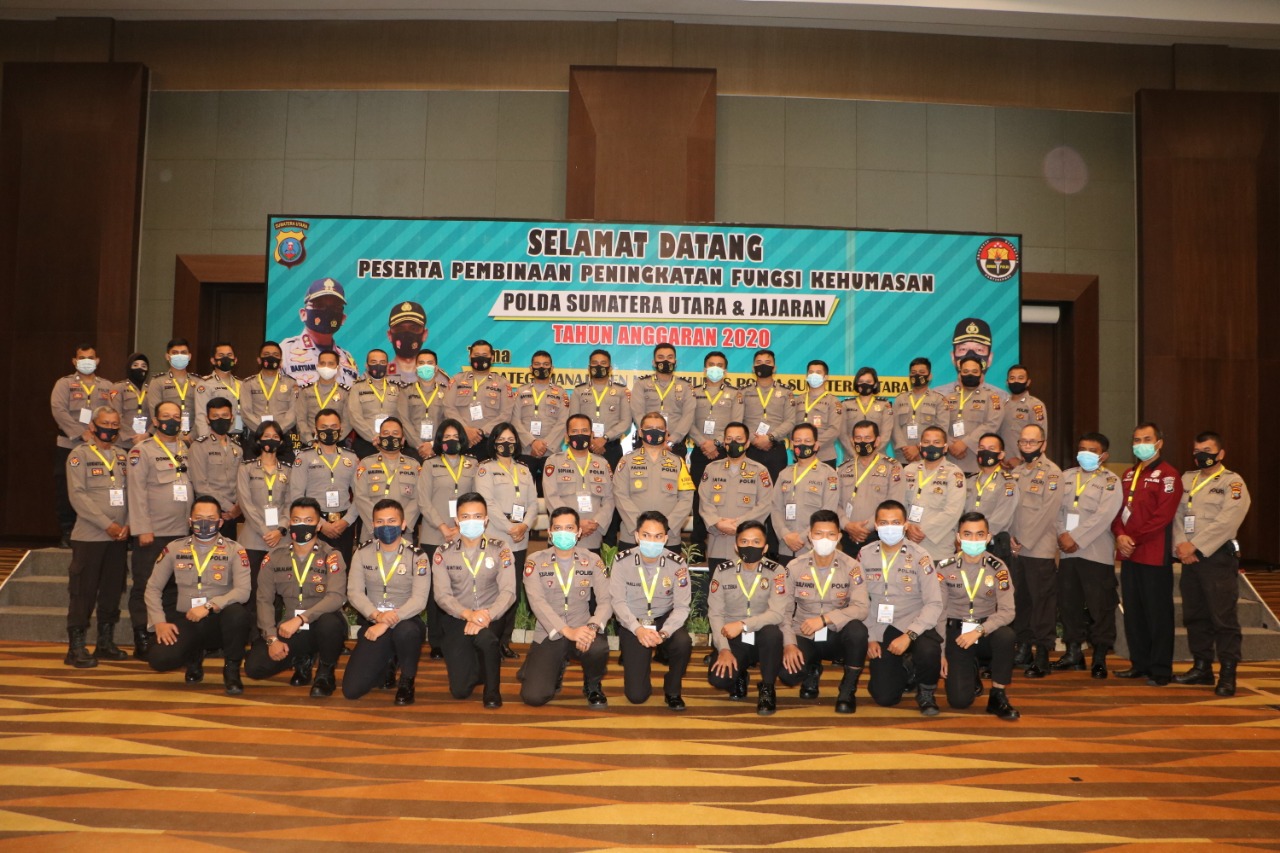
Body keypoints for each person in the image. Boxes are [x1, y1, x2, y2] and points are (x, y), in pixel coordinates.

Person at [144, 496, 253, 695]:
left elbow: (243, 591)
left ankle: (232, 669)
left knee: (238, 614)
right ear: (190, 521)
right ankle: (193, 658)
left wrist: (209, 606)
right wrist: (159, 622)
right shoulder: (174, 548)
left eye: (210, 519)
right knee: (159, 658)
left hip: (220, 620)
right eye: (199, 518)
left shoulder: (235, 550)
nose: (204, 523)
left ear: (220, 522)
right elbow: (152, 588)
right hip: (188, 618)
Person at [1172, 432, 1252, 697]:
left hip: (1216, 558)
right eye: (1197, 451)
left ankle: (1228, 674)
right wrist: (1182, 545)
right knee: (1195, 615)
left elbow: (1228, 520)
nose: (1201, 455)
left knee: (1223, 618)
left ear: (1221, 454)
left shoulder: (1232, 482)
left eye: (1207, 450)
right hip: (1189, 558)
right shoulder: (1187, 479)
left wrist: (1195, 545)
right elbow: (1176, 516)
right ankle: (1201, 667)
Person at [244, 497, 348, 697]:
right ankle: (303, 658)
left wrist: (302, 618)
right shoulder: (274, 557)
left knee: (330, 624)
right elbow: (264, 600)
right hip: (291, 626)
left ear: (319, 525)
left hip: (321, 623)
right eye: (296, 520)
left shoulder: (331, 555)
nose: (302, 525)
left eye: (308, 521)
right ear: (289, 523)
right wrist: (271, 638)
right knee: (255, 667)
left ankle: (325, 672)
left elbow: (336, 597)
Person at [777, 509, 870, 713]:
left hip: (837, 634)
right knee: (787, 674)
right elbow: (783, 611)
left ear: (839, 537)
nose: (824, 539)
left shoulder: (852, 567)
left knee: (858, 631)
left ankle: (848, 688)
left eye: (830, 534)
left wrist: (825, 619)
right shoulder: (794, 566)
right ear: (810, 536)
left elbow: (862, 607)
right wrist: (789, 644)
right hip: (804, 633)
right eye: (818, 534)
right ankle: (812, 669)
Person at [1112, 422, 1183, 685]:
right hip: (1129, 554)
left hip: (1153, 554)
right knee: (1134, 612)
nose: (1140, 444)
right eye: (1136, 440)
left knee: (1158, 614)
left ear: (1159, 443)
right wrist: (1120, 535)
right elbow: (1117, 510)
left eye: (1146, 439)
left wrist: (1133, 538)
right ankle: (1139, 664)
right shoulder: (1129, 474)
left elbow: (1162, 516)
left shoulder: (1169, 475)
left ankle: (1160, 669)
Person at [520, 508, 612, 708]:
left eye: (569, 528)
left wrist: (592, 627)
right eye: (558, 528)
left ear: (578, 532)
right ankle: (550, 667)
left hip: (583, 628)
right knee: (534, 697)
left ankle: (592, 684)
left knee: (598, 648)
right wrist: (567, 631)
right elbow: (537, 603)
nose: (564, 533)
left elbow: (606, 600)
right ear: (550, 532)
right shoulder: (535, 561)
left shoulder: (592, 560)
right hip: (549, 632)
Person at [432, 492, 516, 708]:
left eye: (478, 516)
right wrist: (469, 614)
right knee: (460, 691)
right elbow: (442, 595)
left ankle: (492, 691)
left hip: (491, 616)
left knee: (486, 639)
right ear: (457, 520)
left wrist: (485, 616)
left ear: (486, 520)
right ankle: (478, 667)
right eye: (466, 517)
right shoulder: (443, 552)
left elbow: (508, 591)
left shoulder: (501, 548)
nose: (472, 521)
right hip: (457, 617)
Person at [342, 499, 430, 705]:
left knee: (406, 632)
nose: (386, 526)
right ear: (373, 525)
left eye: (392, 521)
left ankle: (407, 680)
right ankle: (389, 660)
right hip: (375, 621)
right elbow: (354, 592)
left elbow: (419, 600)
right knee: (351, 690)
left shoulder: (417, 556)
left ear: (403, 524)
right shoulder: (362, 553)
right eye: (380, 521)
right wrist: (377, 616)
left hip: (406, 620)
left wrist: (387, 621)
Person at [860, 500, 944, 715]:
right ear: (876, 526)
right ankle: (907, 668)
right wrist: (870, 636)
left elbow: (934, 603)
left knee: (928, 650)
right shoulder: (864, 554)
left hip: (913, 623)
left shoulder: (920, 556)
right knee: (885, 697)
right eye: (884, 523)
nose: (890, 528)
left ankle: (926, 692)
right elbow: (859, 600)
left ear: (906, 525)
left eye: (896, 523)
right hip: (881, 626)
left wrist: (909, 635)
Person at [126, 400, 194, 659]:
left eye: (176, 416)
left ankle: (169, 635)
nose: (172, 421)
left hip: (182, 532)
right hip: (153, 533)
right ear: (155, 421)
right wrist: (142, 528)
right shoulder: (142, 451)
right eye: (166, 416)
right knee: (145, 584)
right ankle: (142, 636)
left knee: (175, 587)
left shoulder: (186, 448)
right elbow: (136, 492)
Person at [63, 406, 131, 667]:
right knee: (84, 591)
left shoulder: (123, 456)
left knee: (112, 590)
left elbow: (132, 493)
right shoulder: (79, 456)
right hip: (90, 537)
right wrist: (107, 524)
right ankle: (75, 648)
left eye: (114, 424)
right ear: (92, 426)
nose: (110, 428)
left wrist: (127, 525)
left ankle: (105, 642)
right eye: (105, 423)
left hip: (118, 538)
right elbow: (77, 496)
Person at [936, 511, 1020, 720]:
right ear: (958, 537)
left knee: (1006, 636)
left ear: (988, 537)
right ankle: (970, 669)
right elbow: (939, 612)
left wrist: (980, 630)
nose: (973, 540)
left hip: (986, 630)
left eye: (979, 534)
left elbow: (1008, 611)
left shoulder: (998, 568)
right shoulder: (944, 568)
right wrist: (941, 652)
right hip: (957, 632)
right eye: (968, 534)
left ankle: (998, 696)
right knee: (959, 701)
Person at [1054, 432, 1123, 677]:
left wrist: (1076, 538)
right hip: (1067, 554)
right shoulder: (1065, 477)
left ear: (1104, 455)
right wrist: (1062, 534)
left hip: (1096, 553)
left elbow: (1104, 516)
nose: (1085, 453)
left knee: (1100, 607)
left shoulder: (1110, 481)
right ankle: (1073, 653)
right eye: (1082, 448)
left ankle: (1100, 657)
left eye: (1092, 450)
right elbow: (1055, 510)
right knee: (1068, 604)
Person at [610, 511, 693, 710]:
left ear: (665, 538)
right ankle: (641, 671)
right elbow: (618, 602)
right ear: (637, 536)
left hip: (664, 619)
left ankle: (672, 689)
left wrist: (664, 633)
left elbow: (682, 607)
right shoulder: (622, 561)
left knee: (683, 642)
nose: (652, 541)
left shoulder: (677, 564)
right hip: (634, 622)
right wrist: (638, 629)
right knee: (636, 696)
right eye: (646, 535)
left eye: (657, 536)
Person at [706, 520, 786, 714]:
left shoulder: (777, 571)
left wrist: (743, 624)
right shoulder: (722, 571)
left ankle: (767, 688)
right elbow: (715, 614)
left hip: (762, 636)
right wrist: (723, 649)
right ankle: (740, 674)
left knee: (773, 634)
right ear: (736, 546)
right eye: (744, 542)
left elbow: (776, 614)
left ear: (765, 547)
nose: (750, 546)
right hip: (733, 637)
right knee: (718, 679)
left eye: (756, 542)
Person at [418, 419, 478, 659]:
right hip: (435, 535)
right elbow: (423, 501)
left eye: (455, 437)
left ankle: (460, 637)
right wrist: (442, 526)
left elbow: (477, 499)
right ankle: (436, 641)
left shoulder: (473, 464)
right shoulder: (430, 465)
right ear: (439, 441)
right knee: (437, 589)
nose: (451, 441)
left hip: (466, 535)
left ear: (462, 439)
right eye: (446, 438)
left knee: (461, 587)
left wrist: (462, 528)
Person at [474, 422, 533, 659]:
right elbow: (487, 503)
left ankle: (504, 642)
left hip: (519, 538)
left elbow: (532, 504)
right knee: (493, 590)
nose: (506, 444)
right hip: (496, 537)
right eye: (501, 440)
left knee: (512, 591)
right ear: (493, 443)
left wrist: (524, 526)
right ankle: (488, 640)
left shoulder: (524, 470)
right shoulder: (485, 469)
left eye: (510, 440)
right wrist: (510, 528)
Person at [1009, 423, 1064, 677]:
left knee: (1042, 602)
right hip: (1016, 549)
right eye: (1023, 441)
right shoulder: (1016, 472)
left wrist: (1023, 539)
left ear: (1043, 444)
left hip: (1038, 548)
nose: (1027, 446)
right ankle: (1023, 648)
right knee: (1020, 601)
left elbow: (1048, 513)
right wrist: (1011, 538)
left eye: (1032, 442)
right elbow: (1010, 509)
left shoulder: (1052, 473)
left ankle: (1042, 654)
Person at [51, 344, 117, 545]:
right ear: (74, 361)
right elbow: (58, 410)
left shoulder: (107, 385)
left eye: (90, 357)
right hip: (69, 444)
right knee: (67, 488)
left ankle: (105, 527)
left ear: (97, 361)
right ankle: (67, 531)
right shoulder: (64, 384)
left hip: (99, 448)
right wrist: (81, 433)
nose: (86, 361)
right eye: (82, 358)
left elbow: (114, 412)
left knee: (98, 487)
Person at [613, 412, 695, 552]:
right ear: (640, 432)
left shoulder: (678, 462)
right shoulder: (627, 461)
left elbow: (686, 498)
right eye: (649, 428)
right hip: (633, 536)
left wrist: (667, 526)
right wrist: (640, 527)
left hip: (668, 536)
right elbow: (620, 495)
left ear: (666, 433)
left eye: (659, 428)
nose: (654, 431)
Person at [688, 351, 744, 557]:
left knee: (722, 497)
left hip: (724, 452)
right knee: (699, 498)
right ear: (704, 369)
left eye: (719, 365)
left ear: (725, 370)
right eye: (711, 364)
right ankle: (697, 546)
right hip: (700, 451)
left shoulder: (735, 394)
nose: (715, 368)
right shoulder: (692, 392)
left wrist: (717, 443)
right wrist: (703, 443)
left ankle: (723, 539)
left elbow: (737, 422)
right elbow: (688, 422)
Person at [236, 420, 293, 614]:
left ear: (281, 441)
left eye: (275, 437)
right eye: (266, 436)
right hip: (253, 537)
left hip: (281, 538)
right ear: (259, 440)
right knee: (253, 587)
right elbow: (245, 503)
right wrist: (264, 531)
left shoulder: (288, 470)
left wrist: (280, 530)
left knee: (279, 588)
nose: (271, 440)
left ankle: (275, 627)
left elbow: (291, 503)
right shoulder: (246, 468)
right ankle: (253, 630)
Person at [291, 408, 358, 565]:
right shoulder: (304, 458)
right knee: (314, 571)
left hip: (344, 526)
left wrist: (347, 521)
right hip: (313, 525)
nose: (329, 431)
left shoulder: (351, 458)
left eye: (334, 427)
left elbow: (360, 495)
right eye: (324, 427)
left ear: (341, 430)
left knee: (342, 570)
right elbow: (296, 496)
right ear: (316, 430)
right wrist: (320, 523)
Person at [698, 422, 773, 563]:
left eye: (739, 439)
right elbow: (704, 501)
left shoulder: (759, 471)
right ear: (724, 442)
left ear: (747, 443)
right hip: (718, 542)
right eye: (729, 439)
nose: (733, 443)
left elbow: (766, 503)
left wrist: (740, 524)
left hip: (748, 543)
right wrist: (717, 523)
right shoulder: (711, 469)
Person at [542, 414, 615, 554]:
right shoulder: (554, 462)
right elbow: (551, 497)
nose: (580, 435)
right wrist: (574, 523)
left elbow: (610, 499)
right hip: (563, 534)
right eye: (574, 431)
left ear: (592, 435)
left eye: (584, 431)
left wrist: (596, 522)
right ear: (567, 436)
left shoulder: (602, 463)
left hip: (592, 534)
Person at [770, 423, 840, 562]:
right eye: (798, 441)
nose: (802, 445)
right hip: (785, 546)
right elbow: (775, 507)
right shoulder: (784, 474)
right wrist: (785, 535)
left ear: (816, 445)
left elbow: (828, 511)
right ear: (792, 445)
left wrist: (802, 538)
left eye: (807, 441)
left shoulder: (828, 474)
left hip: (813, 547)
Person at [836, 420, 905, 557]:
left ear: (877, 441)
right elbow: (834, 502)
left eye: (867, 438)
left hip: (879, 535)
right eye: (858, 438)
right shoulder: (843, 469)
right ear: (852, 441)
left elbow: (895, 503)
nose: (862, 442)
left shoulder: (893, 467)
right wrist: (847, 525)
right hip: (848, 536)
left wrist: (864, 529)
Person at [901, 425, 967, 563]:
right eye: (926, 442)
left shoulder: (954, 473)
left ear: (945, 447)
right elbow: (899, 505)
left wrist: (923, 531)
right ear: (920, 446)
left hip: (938, 547)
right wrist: (907, 527)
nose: (931, 446)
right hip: (907, 544)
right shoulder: (909, 470)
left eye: (936, 442)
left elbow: (953, 511)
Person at [443, 339, 515, 462]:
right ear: (469, 357)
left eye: (484, 355)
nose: (480, 358)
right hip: (460, 438)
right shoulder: (457, 379)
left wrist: (482, 432)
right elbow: (448, 408)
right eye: (476, 355)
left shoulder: (502, 383)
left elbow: (506, 414)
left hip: (489, 441)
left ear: (492, 358)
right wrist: (465, 429)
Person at [280, 277, 360, 388]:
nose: (327, 312)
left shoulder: (348, 359)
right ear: (303, 314)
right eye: (319, 305)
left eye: (335, 307)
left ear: (343, 318)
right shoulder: (285, 351)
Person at [352, 417, 422, 537]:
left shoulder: (414, 466)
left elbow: (418, 498)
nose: (390, 437)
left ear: (402, 440)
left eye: (395, 433)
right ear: (379, 439)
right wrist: (379, 523)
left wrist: (400, 525)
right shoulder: (365, 464)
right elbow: (360, 497)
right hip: (372, 532)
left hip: (402, 533)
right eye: (386, 433)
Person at [567, 348, 632, 472]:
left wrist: (605, 438)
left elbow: (626, 422)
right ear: (589, 367)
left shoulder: (621, 391)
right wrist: (591, 442)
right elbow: (573, 420)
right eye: (595, 363)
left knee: (612, 483)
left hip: (611, 447)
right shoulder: (579, 391)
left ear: (610, 368)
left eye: (603, 363)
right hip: (583, 446)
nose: (598, 366)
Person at [513, 350, 567, 497]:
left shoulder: (560, 393)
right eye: (537, 364)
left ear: (552, 368)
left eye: (545, 364)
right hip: (526, 451)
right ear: (531, 368)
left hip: (550, 452)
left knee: (551, 496)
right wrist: (532, 442)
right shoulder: (521, 391)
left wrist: (544, 445)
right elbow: (515, 420)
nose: (541, 368)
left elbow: (563, 422)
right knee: (522, 495)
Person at [188, 397, 243, 542]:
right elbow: (201, 486)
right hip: (210, 514)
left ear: (232, 418)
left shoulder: (237, 448)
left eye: (225, 415)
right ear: (207, 419)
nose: (221, 420)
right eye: (215, 416)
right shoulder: (199, 447)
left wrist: (238, 507)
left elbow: (241, 481)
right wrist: (228, 507)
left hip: (234, 514)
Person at [942, 355, 1004, 476]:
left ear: (981, 375)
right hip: (950, 459)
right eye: (966, 371)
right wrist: (950, 444)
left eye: (974, 371)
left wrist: (965, 443)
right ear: (960, 374)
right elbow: (941, 424)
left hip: (977, 461)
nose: (970, 375)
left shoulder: (992, 398)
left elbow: (992, 424)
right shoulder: (948, 399)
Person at [740, 348, 796, 479]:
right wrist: (754, 440)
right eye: (759, 362)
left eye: (767, 362)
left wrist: (770, 437)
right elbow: (738, 421)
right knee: (748, 487)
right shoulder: (743, 392)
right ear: (753, 368)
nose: (763, 365)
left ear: (774, 368)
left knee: (776, 488)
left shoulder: (786, 392)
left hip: (776, 449)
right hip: (750, 448)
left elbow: (790, 421)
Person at [630, 344, 694, 453]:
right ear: (653, 362)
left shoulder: (686, 386)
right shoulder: (641, 384)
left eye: (670, 357)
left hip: (675, 444)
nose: (665, 361)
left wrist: (671, 441)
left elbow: (688, 416)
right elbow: (637, 413)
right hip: (647, 441)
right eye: (660, 357)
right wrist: (652, 437)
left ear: (675, 362)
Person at [891, 358, 949, 465]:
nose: (917, 375)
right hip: (903, 455)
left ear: (929, 376)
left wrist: (918, 448)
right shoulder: (900, 399)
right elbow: (894, 426)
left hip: (928, 455)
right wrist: (905, 448)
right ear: (909, 376)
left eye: (922, 372)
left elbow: (942, 428)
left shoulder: (939, 399)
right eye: (913, 373)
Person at [348, 349, 402, 461]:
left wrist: (391, 437)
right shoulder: (357, 388)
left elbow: (402, 416)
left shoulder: (397, 388)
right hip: (366, 441)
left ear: (387, 365)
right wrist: (374, 436)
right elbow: (354, 416)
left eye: (382, 362)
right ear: (366, 365)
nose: (378, 365)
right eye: (374, 362)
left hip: (394, 441)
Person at [965, 433, 1019, 541]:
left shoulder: (1007, 483)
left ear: (1001, 455)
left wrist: (980, 536)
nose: (985, 452)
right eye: (982, 448)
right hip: (968, 539)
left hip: (993, 541)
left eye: (991, 448)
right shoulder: (969, 481)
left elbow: (1001, 517)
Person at [938, 318, 1006, 403]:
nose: (970, 356)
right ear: (953, 357)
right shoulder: (938, 396)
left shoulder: (1002, 398)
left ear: (990, 359)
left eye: (979, 349)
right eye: (963, 349)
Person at [241, 341, 297, 440]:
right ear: (259, 360)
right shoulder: (248, 384)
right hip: (256, 436)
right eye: (266, 354)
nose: (271, 357)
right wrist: (264, 432)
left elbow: (293, 413)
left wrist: (277, 431)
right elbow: (246, 413)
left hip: (283, 435)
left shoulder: (291, 383)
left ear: (280, 361)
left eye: (275, 355)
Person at [145, 338, 197, 441]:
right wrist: (174, 436)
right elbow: (156, 413)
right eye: (175, 353)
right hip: (166, 435)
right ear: (167, 356)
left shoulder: (199, 382)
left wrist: (192, 436)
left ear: (189, 356)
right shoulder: (157, 381)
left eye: (183, 353)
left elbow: (202, 414)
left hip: (193, 437)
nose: (179, 356)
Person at [400, 349, 448, 462]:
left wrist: (433, 445)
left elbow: (448, 422)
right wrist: (419, 446)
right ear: (416, 368)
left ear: (436, 368)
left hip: (439, 448)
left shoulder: (447, 392)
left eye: (429, 363)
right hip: (412, 449)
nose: (425, 366)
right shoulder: (405, 391)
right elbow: (404, 420)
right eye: (421, 363)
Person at [293, 349, 348, 446]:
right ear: (317, 366)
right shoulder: (306, 391)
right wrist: (310, 441)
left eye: (330, 364)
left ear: (338, 367)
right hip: (310, 442)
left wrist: (334, 439)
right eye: (322, 363)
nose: (326, 367)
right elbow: (300, 420)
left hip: (336, 443)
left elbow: (347, 421)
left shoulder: (345, 392)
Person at [839, 366, 894, 462]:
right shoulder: (845, 405)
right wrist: (855, 454)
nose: (864, 384)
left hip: (877, 458)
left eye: (868, 382)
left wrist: (872, 455)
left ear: (875, 384)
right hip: (852, 458)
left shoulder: (885, 405)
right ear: (856, 384)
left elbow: (886, 435)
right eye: (861, 381)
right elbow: (842, 434)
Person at [796, 359, 844, 467]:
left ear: (825, 377)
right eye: (811, 372)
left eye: (818, 372)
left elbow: (835, 429)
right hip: (800, 455)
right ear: (806, 376)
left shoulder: (833, 401)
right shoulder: (798, 400)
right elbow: (791, 424)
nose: (814, 375)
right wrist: (797, 442)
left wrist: (814, 444)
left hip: (824, 456)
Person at [999, 365, 1048, 470]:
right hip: (1003, 464)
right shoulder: (1002, 405)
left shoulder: (1035, 406)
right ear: (1007, 382)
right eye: (1012, 378)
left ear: (1028, 382)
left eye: (1020, 378)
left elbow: (1040, 438)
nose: (1016, 381)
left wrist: (1021, 459)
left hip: (1026, 465)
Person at [194, 342, 244, 439]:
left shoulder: (241, 384)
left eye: (229, 355)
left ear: (235, 360)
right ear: (213, 360)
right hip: (217, 437)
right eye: (221, 355)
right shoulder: (205, 384)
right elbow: (201, 416)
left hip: (241, 437)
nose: (226, 358)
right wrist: (207, 440)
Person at [113, 352, 152, 447]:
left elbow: (155, 416)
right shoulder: (118, 387)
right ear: (129, 368)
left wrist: (147, 434)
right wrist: (133, 436)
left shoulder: (152, 389)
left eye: (144, 366)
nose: (140, 368)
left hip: (146, 441)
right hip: (123, 441)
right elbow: (115, 415)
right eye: (135, 365)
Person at [385, 300, 428, 386]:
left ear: (424, 334)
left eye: (414, 329)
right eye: (399, 329)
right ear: (389, 335)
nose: (407, 334)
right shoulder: (377, 377)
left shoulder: (439, 379)